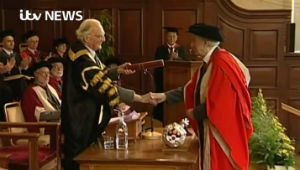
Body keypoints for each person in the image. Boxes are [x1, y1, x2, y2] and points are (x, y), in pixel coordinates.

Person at [150, 23, 252, 170]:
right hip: (210, 127)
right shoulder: (209, 62)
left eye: (194, 40)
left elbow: (223, 102)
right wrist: (164, 96)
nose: (191, 45)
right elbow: (191, 89)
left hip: (221, 132)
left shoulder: (220, 63)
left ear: (205, 42)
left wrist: (195, 112)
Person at [61, 18, 154, 170]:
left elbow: (101, 73)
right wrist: (140, 98)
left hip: (85, 114)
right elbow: (104, 86)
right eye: (99, 36)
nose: (104, 39)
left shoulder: (86, 51)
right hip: (80, 118)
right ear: (86, 37)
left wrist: (118, 70)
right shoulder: (81, 58)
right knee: (79, 159)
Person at [153, 26, 188, 122]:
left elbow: (187, 64)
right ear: (166, 37)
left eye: (174, 36)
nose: (172, 38)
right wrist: (170, 59)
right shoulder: (160, 49)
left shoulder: (182, 49)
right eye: (169, 36)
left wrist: (178, 59)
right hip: (163, 81)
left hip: (178, 82)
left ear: (177, 37)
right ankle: (161, 120)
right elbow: (157, 64)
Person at [21, 61, 61, 129]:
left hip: (57, 121)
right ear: (36, 74)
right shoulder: (30, 91)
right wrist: (62, 114)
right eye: (44, 73)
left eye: (48, 73)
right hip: (44, 127)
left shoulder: (50, 88)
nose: (47, 75)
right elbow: (41, 115)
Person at [0, 30, 28, 100]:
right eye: (9, 41)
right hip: (6, 80)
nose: (12, 43)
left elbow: (20, 67)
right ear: (2, 43)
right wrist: (6, 68)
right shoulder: (0, 54)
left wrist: (23, 66)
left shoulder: (16, 54)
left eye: (13, 41)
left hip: (17, 79)